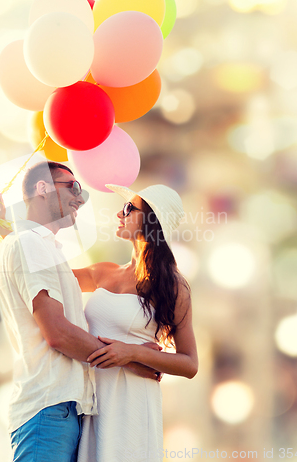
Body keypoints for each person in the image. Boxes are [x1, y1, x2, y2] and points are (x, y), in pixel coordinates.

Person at [0, 161, 161, 462]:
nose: (80, 198)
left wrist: (6, 231)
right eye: (73, 187)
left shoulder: (39, 247)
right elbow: (57, 333)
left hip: (62, 409)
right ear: (42, 188)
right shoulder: (30, 243)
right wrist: (129, 359)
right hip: (48, 409)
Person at [73, 183, 198, 462]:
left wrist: (133, 353)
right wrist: (9, 233)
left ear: (152, 220)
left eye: (130, 208)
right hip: (91, 397)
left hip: (132, 402)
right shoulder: (103, 272)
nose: (120, 213)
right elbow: (45, 275)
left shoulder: (172, 285)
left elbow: (190, 364)